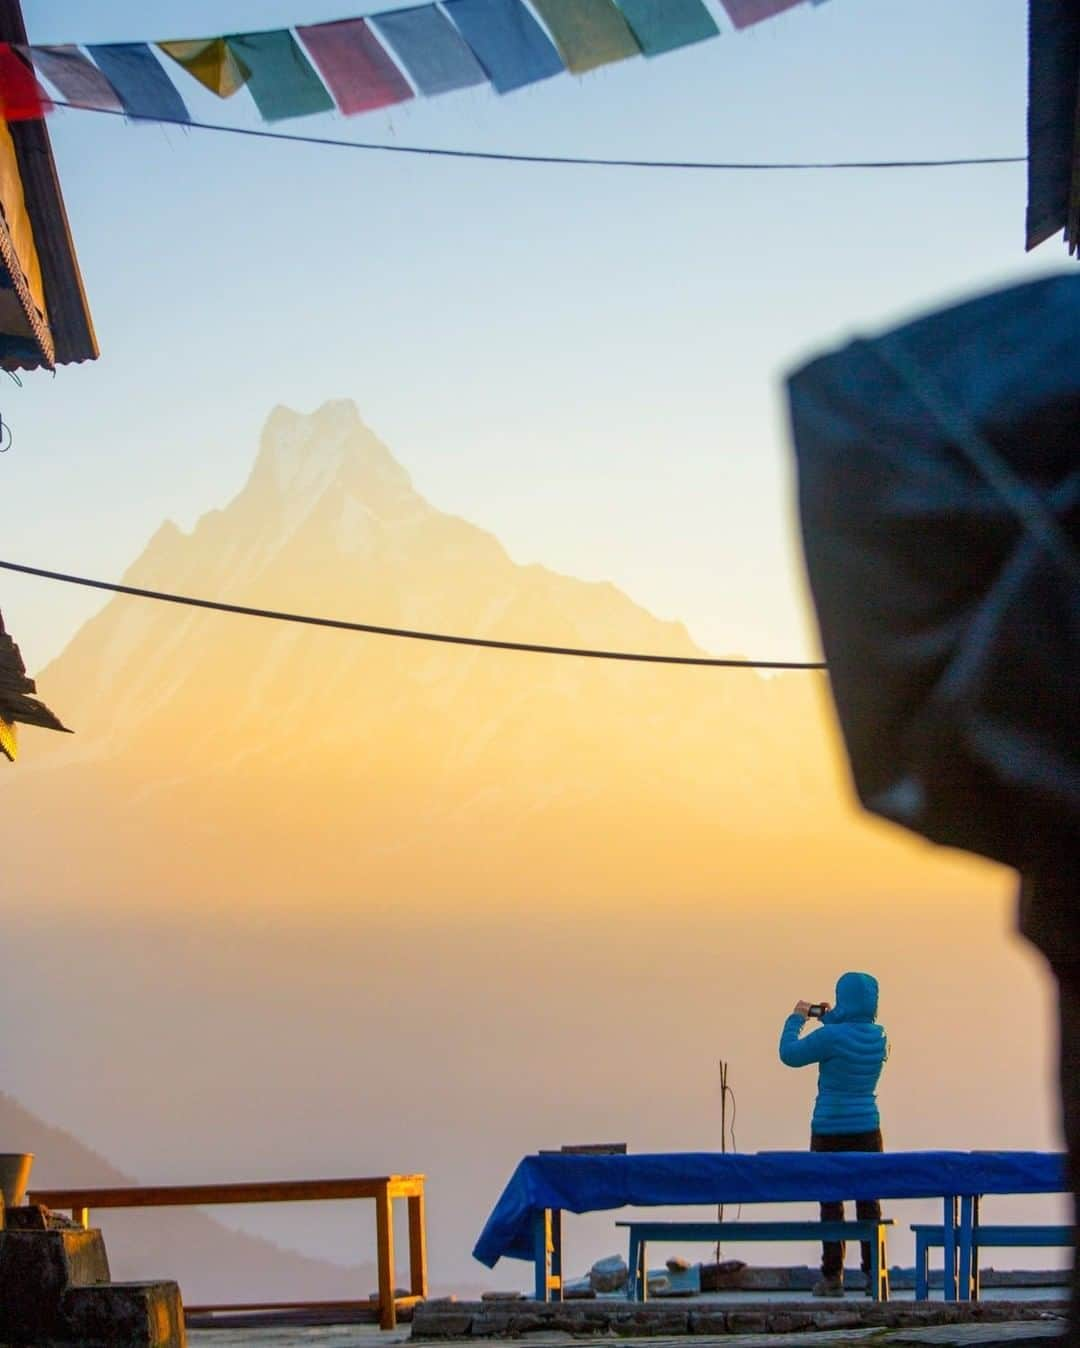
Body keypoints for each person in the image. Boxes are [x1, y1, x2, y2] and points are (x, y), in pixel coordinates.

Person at [778, 971, 888, 1298]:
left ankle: (832, 1277)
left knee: (830, 1203)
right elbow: (848, 1037)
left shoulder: (831, 1038)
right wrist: (832, 1018)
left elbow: (790, 1053)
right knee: (869, 1203)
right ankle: (873, 1275)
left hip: (829, 1128)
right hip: (868, 1129)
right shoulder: (878, 1037)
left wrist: (796, 1018)